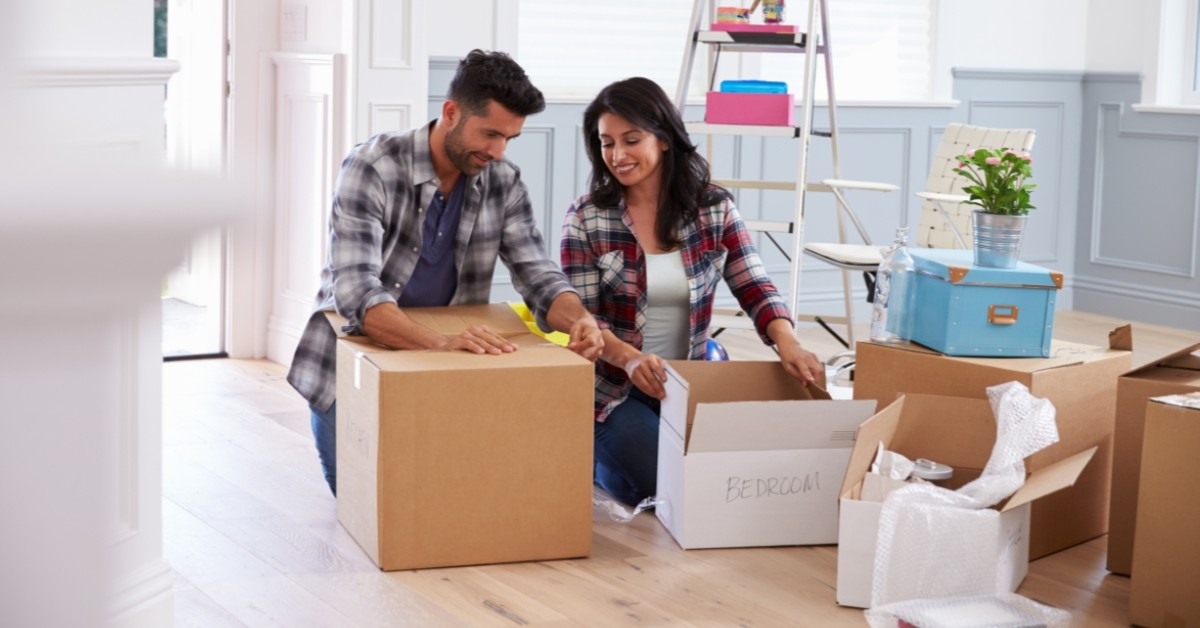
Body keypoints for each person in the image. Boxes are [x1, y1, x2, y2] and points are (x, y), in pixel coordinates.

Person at [288, 50, 604, 496]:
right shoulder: (372, 166)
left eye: (510, 138)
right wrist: (441, 341)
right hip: (355, 360)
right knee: (369, 499)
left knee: (450, 498)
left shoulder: (503, 180)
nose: (498, 151)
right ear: (451, 112)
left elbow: (538, 273)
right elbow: (357, 294)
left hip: (447, 369)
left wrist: (580, 319)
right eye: (490, 133)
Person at [561, 77, 823, 506]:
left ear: (663, 139)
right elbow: (585, 319)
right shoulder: (587, 216)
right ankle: (589, 452)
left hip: (687, 380)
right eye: (607, 143)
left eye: (631, 140)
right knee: (659, 485)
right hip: (612, 389)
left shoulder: (713, 207)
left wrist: (788, 343)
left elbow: (753, 283)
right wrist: (629, 361)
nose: (618, 155)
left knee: (734, 471)